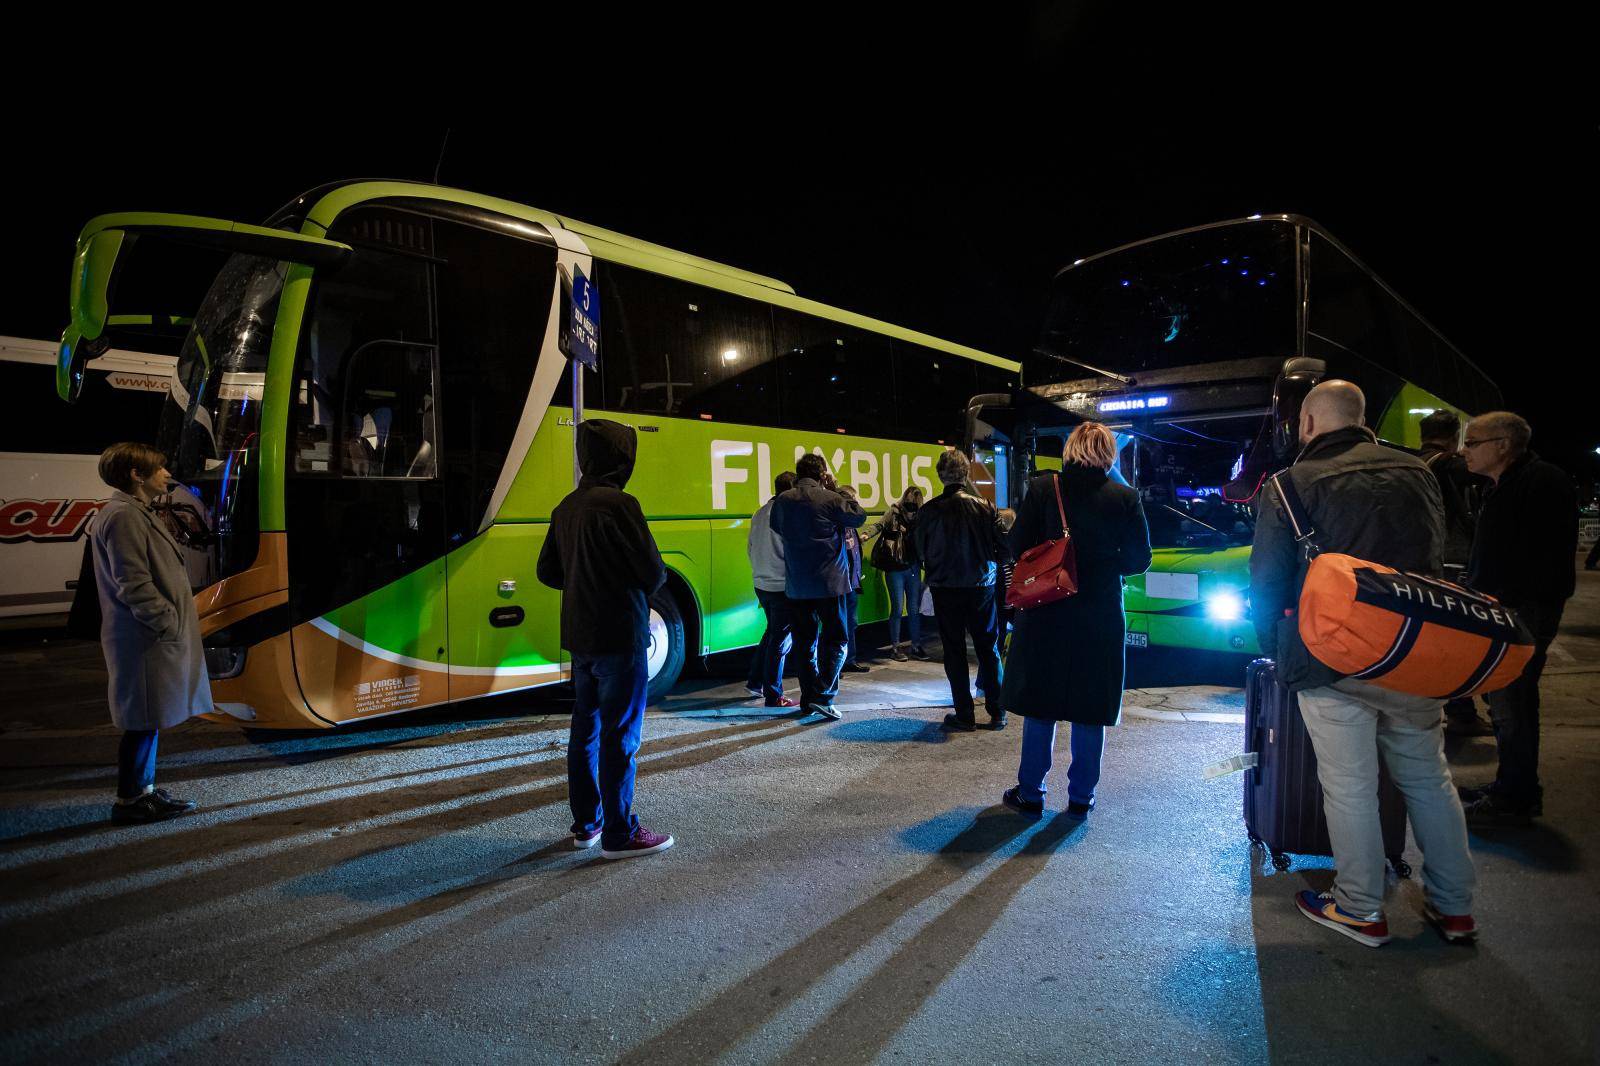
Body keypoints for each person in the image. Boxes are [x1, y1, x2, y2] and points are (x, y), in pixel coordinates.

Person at [1251, 381, 1477, 947]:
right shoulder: (1418, 473)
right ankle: (1454, 908)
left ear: (1306, 423)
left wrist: (1280, 652)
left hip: (1333, 657)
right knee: (1428, 779)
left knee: (1350, 787)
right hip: (1413, 652)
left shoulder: (1289, 484)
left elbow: (1267, 581)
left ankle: (1359, 907)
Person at [537, 420, 675, 860]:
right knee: (621, 736)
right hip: (620, 634)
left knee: (586, 732)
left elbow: (547, 572)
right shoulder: (621, 506)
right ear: (622, 459)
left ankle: (587, 825)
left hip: (581, 637)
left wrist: (584, 577)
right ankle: (620, 832)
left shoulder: (566, 507)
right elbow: (653, 572)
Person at [1000, 424, 1150, 821]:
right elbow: (1139, 559)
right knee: (1090, 707)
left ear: (1070, 450)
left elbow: (1015, 546)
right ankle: (1081, 796)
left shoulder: (1044, 489)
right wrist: (1101, 564)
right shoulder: (1125, 497)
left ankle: (1031, 792)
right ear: (1109, 454)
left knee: (1041, 704)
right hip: (1099, 615)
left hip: (1047, 611)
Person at [1458, 411, 1579, 825]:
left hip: (1521, 611)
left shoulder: (1542, 482)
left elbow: (1538, 557)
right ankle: (1511, 785)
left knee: (1513, 704)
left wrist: (1504, 600)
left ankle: (1517, 796)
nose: (1464, 450)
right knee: (1506, 703)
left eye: (1473, 443)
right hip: (1506, 607)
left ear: (1503, 445)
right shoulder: (1502, 485)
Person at [90, 443, 211, 825]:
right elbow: (134, 583)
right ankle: (130, 800)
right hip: (144, 639)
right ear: (135, 475)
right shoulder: (124, 516)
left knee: (147, 717)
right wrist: (166, 621)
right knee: (141, 719)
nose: (167, 475)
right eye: (158, 469)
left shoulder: (132, 511)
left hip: (146, 637)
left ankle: (143, 790)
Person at [913, 449, 1010, 732]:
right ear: (966, 473)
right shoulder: (986, 507)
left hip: (945, 587)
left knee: (953, 650)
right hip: (981, 585)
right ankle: (997, 710)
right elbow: (1005, 551)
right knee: (988, 648)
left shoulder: (928, 511)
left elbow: (917, 551)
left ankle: (964, 715)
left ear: (940, 475)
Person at [771, 454, 866, 720]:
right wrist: (834, 488)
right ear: (822, 473)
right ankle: (824, 695)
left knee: (804, 643)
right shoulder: (831, 498)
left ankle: (808, 699)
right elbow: (858, 516)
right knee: (837, 639)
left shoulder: (783, 501)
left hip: (797, 585)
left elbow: (776, 527)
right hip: (830, 583)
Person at [1417, 410, 1493, 736]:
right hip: (1452, 564)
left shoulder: (1412, 463)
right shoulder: (1448, 464)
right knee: (1459, 641)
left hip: (1420, 563)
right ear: (1454, 437)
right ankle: (1462, 711)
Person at [744, 471, 798, 708]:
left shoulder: (759, 512)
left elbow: (750, 547)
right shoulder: (786, 513)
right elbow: (792, 551)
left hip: (762, 584)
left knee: (771, 633)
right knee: (780, 640)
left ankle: (755, 682)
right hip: (781, 584)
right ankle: (774, 695)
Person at [867, 486, 927, 662]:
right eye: (909, 503)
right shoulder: (893, 512)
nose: (911, 508)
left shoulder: (920, 517)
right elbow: (878, 525)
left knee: (914, 609)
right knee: (897, 608)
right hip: (895, 567)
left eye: (914, 504)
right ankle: (895, 647)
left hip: (913, 567)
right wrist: (865, 535)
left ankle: (915, 645)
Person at [839, 486, 870, 673]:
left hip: (852, 581)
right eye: (852, 499)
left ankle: (850, 659)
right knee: (839, 624)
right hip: (841, 583)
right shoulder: (838, 523)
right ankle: (839, 663)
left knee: (851, 622)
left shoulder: (851, 525)